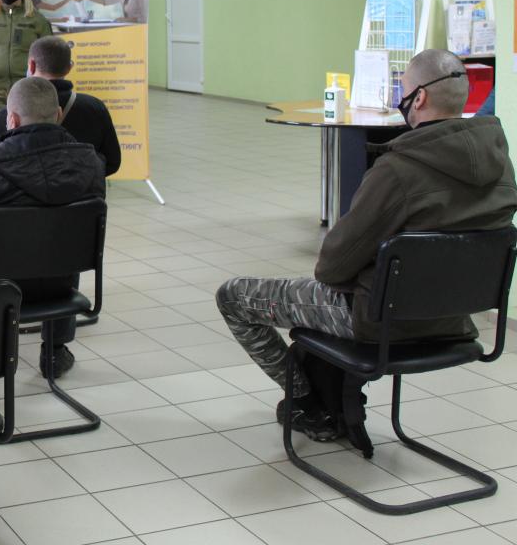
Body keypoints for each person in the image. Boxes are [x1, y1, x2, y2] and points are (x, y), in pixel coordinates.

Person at [216, 49, 517, 441]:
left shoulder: (398, 170)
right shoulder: (502, 165)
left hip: (380, 319)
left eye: (402, 90)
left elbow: (330, 267)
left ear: (419, 98)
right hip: (454, 318)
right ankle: (331, 395)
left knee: (233, 296)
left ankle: (310, 402)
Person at [0, 76, 105, 379]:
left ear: (10, 119)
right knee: (63, 239)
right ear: (58, 115)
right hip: (60, 288)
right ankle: (56, 350)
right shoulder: (91, 163)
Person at [0, 35, 122, 176]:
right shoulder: (95, 108)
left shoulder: (11, 111)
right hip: (80, 189)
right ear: (69, 68)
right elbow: (112, 162)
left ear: (31, 65)